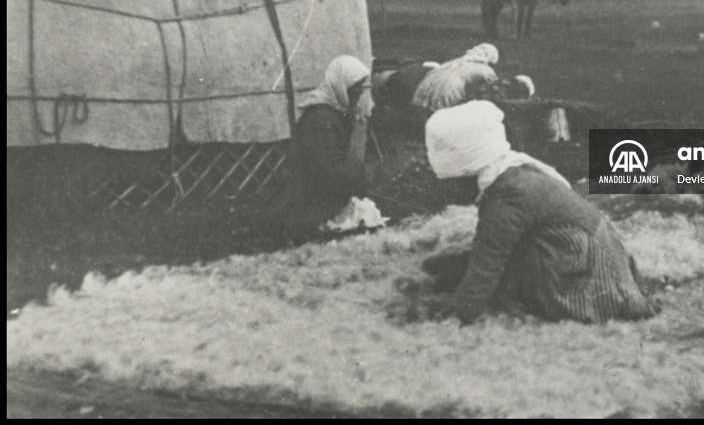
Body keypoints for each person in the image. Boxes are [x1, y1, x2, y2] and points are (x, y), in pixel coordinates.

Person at [424, 100, 656, 324]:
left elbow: (487, 266)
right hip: (603, 268)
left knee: (485, 275)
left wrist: (454, 317)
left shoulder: (508, 195)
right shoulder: (518, 172)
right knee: (454, 265)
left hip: (591, 285)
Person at [274, 55, 373, 242]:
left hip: (323, 194)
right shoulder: (320, 120)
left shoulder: (335, 113)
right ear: (341, 86)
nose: (360, 92)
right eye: (356, 87)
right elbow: (327, 170)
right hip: (310, 201)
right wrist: (360, 176)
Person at [411, 43, 500, 111]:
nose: (476, 49)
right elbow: (496, 91)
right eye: (478, 47)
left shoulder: (454, 63)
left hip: (421, 103)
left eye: (483, 50)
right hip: (441, 107)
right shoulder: (482, 68)